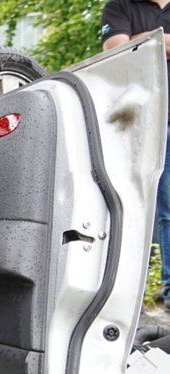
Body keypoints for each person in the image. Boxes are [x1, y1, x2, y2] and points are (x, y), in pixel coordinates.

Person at [102, 0, 170, 308]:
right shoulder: (119, 6)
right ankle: (131, 291)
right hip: (142, 122)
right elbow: (117, 51)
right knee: (134, 207)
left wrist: (144, 40)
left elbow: (133, 45)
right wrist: (156, 43)